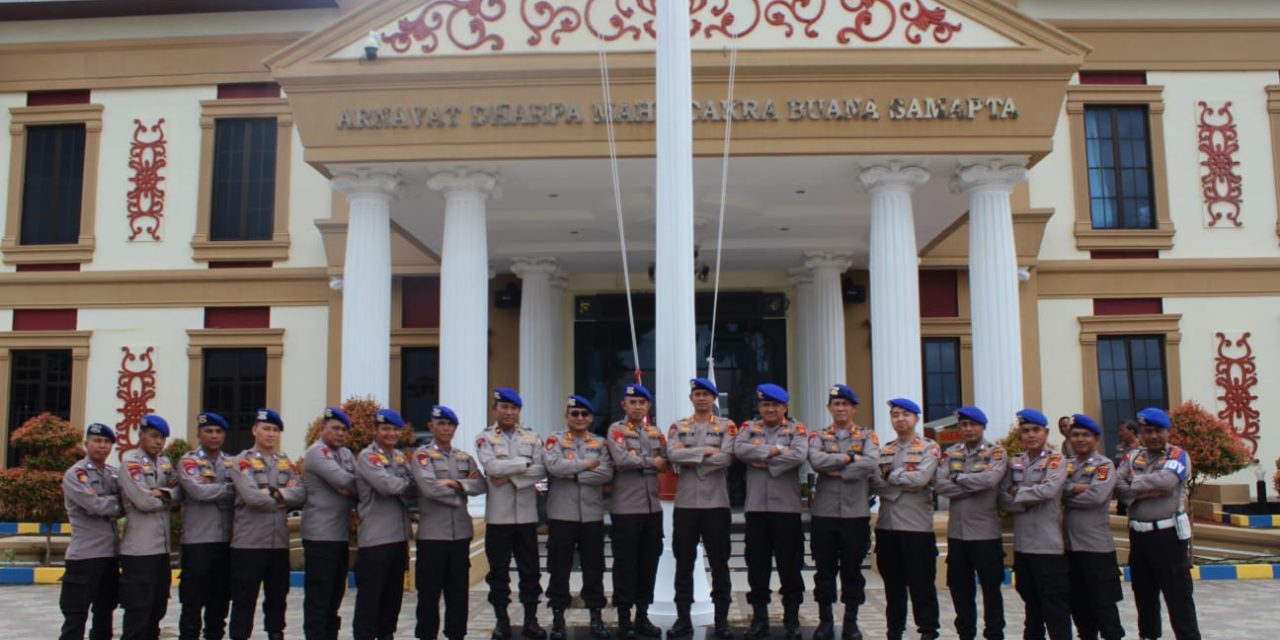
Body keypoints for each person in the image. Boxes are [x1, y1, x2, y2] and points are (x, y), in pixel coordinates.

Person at [1116, 407, 1201, 640]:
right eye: (1147, 431)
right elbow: (1117, 486)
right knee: (1144, 598)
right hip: (1139, 537)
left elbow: (1166, 482)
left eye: (1158, 431)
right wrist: (1143, 490)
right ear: (1141, 432)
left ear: (1167, 431)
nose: (1152, 436)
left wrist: (1134, 484)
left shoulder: (1177, 455)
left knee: (1179, 599)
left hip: (1168, 537)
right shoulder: (1133, 456)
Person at [732, 383, 808, 640]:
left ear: (784, 407)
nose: (769, 409)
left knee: (790, 566)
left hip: (786, 509)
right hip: (756, 508)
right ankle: (760, 619)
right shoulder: (748, 428)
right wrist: (775, 451)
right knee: (757, 566)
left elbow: (798, 456)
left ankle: (792, 619)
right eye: (765, 404)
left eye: (775, 405)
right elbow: (740, 450)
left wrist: (761, 460)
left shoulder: (797, 430)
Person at [806, 384, 880, 640]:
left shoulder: (867, 436)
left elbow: (871, 463)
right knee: (824, 570)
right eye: (836, 404)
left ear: (853, 408)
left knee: (852, 570)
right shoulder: (817, 436)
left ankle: (851, 621)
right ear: (829, 408)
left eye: (845, 404)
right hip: (824, 514)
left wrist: (836, 466)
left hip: (855, 514)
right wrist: (850, 458)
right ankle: (825, 620)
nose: (840, 409)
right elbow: (816, 461)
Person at [666, 377, 737, 639]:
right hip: (685, 505)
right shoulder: (679, 426)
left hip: (716, 504)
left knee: (720, 564)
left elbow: (727, 458)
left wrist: (691, 455)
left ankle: (722, 621)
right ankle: (683, 619)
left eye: (706, 394)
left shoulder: (727, 426)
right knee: (683, 564)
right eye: (697, 394)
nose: (702, 398)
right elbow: (672, 454)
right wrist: (706, 451)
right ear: (691, 398)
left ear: (714, 398)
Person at [228, 408, 305, 640]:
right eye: (266, 429)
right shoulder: (242, 461)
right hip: (248, 544)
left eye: (275, 430)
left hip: (278, 543)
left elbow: (301, 494)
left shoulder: (285, 462)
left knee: (277, 598)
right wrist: (283, 496)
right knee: (244, 601)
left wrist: (272, 494)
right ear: (254, 430)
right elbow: (251, 497)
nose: (271, 434)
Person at [477, 388, 548, 640]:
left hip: (527, 518)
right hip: (499, 519)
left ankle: (531, 620)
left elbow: (541, 470)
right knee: (498, 573)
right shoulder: (485, 438)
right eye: (504, 407)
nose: (509, 412)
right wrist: (522, 464)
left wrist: (509, 475)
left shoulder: (532, 437)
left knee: (530, 572)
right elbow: (492, 467)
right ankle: (502, 622)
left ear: (519, 410)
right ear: (495, 408)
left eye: (513, 408)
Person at [414, 405, 488, 640]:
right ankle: (427, 636)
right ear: (431, 426)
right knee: (429, 594)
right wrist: (462, 490)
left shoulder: (463, 457)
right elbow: (429, 489)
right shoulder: (422, 456)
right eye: (441, 424)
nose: (446, 428)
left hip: (459, 536)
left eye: (450, 424)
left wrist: (454, 483)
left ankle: (456, 635)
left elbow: (481, 485)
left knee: (458, 593)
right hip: (432, 536)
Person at [543, 395, 614, 640]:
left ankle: (596, 617)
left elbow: (606, 472)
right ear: (567, 416)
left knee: (594, 568)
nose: (580, 418)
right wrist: (587, 465)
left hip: (592, 515)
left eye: (584, 414)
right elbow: (554, 467)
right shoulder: (555, 440)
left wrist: (574, 473)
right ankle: (558, 619)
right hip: (562, 514)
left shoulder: (601, 443)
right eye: (575, 414)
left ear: (591, 418)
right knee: (559, 568)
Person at [934, 406, 1007, 640]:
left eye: (972, 424)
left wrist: (958, 479)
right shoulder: (952, 453)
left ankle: (994, 633)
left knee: (991, 590)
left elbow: (990, 479)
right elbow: (939, 484)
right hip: (958, 534)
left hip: (985, 534)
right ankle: (965, 634)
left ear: (982, 426)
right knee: (960, 590)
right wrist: (971, 486)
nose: (967, 429)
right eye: (963, 425)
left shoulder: (996, 453)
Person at [870, 398, 940, 640]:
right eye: (895, 415)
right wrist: (899, 484)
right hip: (888, 526)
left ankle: (928, 630)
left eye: (905, 415)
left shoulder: (929, 448)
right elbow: (876, 481)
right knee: (893, 586)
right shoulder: (886, 450)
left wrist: (893, 476)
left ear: (916, 419)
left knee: (922, 585)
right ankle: (894, 630)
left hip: (916, 528)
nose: (900, 419)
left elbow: (921, 479)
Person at [998, 409, 1071, 640]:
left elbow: (1048, 491)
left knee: (1055, 609)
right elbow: (1002, 497)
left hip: (1047, 546)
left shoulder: (1056, 460)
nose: (1031, 435)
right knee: (1032, 608)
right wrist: (1026, 500)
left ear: (1046, 432)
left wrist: (1018, 495)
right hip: (1023, 546)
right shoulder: (1015, 463)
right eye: (1026, 430)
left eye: (1036, 430)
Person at [605, 383, 667, 639]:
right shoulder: (616, 430)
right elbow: (621, 460)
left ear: (648, 406)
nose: (638, 406)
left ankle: (642, 615)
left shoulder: (656, 432)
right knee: (625, 565)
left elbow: (668, 460)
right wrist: (652, 462)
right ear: (624, 405)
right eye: (633, 402)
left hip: (652, 508)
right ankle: (623, 619)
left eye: (642, 402)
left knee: (648, 564)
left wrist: (642, 462)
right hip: (626, 508)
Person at [119, 414, 182, 640]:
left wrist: (162, 493)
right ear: (141, 435)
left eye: (162, 438)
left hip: (161, 551)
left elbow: (181, 492)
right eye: (154, 436)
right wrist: (167, 499)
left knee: (157, 609)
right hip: (139, 552)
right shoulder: (131, 464)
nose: (158, 442)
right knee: (138, 612)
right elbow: (143, 502)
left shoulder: (164, 463)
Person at [353, 409, 414, 640]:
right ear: (376, 430)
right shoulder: (368, 457)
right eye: (386, 428)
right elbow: (389, 486)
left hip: (398, 538)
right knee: (370, 601)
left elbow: (409, 485)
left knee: (392, 600)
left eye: (395, 429)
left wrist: (408, 482)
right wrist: (409, 482)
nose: (391, 433)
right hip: (376, 540)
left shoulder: (398, 456)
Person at [1062, 414, 1124, 640]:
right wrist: (1074, 488)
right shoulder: (1065, 465)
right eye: (1075, 435)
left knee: (1105, 609)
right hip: (1070, 548)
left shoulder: (1104, 465)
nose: (1079, 439)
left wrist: (1066, 495)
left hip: (1096, 549)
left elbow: (1096, 497)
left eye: (1085, 435)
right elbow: (1054, 491)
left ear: (1096, 438)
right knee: (1079, 610)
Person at [175, 412, 236, 640]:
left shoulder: (232, 462)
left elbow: (244, 490)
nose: (214, 436)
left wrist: (215, 487)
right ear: (199, 434)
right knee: (192, 603)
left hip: (225, 542)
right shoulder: (189, 461)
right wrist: (228, 487)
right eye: (208, 431)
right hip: (197, 542)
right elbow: (197, 491)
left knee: (219, 603)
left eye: (218, 431)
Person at [59, 423, 122, 640]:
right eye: (97, 441)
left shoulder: (114, 473)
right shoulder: (76, 474)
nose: (102, 446)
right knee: (75, 619)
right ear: (86, 443)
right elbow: (95, 505)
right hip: (84, 557)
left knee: (105, 616)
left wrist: (108, 502)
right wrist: (117, 504)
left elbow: (128, 499)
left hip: (110, 556)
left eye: (106, 442)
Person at [302, 406, 358, 640]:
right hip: (319, 536)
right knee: (319, 597)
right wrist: (349, 486)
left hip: (339, 535)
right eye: (335, 428)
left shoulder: (345, 454)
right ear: (322, 429)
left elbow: (353, 483)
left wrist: (350, 488)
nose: (340, 433)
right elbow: (345, 480)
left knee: (335, 596)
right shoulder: (317, 452)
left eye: (344, 429)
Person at [1114, 420, 1139, 517]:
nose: (1120, 433)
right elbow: (1117, 465)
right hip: (1123, 490)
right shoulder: (1119, 447)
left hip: (1137, 488)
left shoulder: (1143, 446)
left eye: (1122, 430)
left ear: (1132, 431)